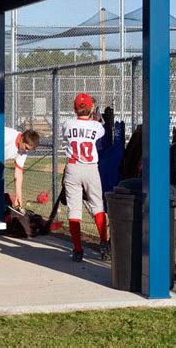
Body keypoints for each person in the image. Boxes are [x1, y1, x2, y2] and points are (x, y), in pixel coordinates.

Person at [62, 93, 109, 262]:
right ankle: (104, 243)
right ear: (90, 109)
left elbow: (72, 132)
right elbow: (100, 132)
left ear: (74, 109)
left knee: (74, 209)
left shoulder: (67, 123)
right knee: (97, 206)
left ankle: (77, 250)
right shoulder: (96, 126)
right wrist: (94, 119)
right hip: (90, 169)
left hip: (72, 168)